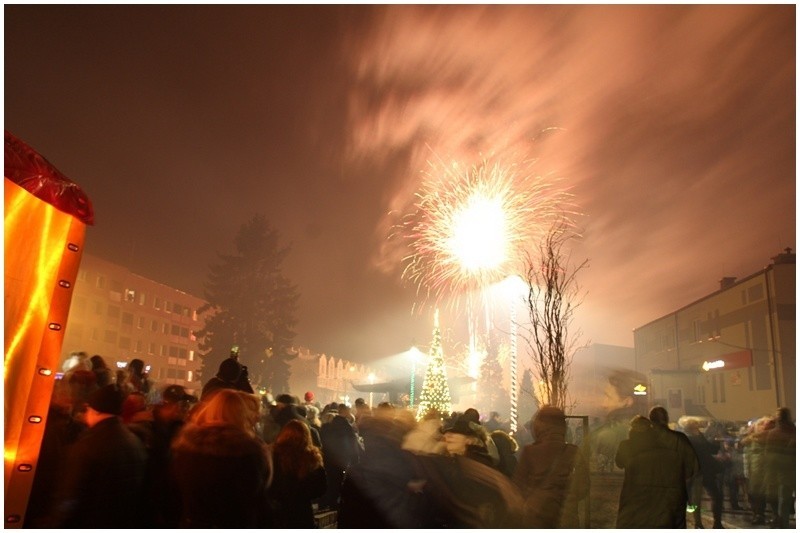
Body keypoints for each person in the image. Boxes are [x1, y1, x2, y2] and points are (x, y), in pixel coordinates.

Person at [170, 389, 273, 528]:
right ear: (241, 415)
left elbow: (172, 495)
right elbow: (256, 500)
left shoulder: (186, 448)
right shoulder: (249, 451)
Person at [49, 384, 147, 528]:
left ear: (96, 411)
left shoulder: (88, 445)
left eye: (87, 409)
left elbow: (71, 497)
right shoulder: (134, 441)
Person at [615, 412, 698, 528]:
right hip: (665, 494)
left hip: (635, 493)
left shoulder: (626, 445)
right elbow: (690, 467)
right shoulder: (661, 443)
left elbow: (619, 463)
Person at [513, 405, 589, 528]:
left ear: (538, 427)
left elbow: (518, 487)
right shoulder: (573, 452)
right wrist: (567, 498)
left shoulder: (530, 452)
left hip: (536, 519)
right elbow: (584, 487)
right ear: (563, 427)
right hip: (566, 519)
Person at [268, 419, 327, 528]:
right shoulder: (311, 457)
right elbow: (321, 487)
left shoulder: (272, 453)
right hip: (301, 511)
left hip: (277, 511)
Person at [648, 406, 700, 526]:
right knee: (676, 523)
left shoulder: (644, 440)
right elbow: (692, 466)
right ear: (666, 419)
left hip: (651, 491)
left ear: (651, 420)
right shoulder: (679, 439)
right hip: (675, 490)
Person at [591, 369, 648, 472]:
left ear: (627, 402)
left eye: (608, 397)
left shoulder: (607, 435)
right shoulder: (652, 434)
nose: (603, 404)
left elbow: (599, 468)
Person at [318, 403, 362, 510]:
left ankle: (324, 501)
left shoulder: (327, 426)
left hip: (327, 457)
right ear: (346, 412)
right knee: (337, 481)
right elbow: (352, 444)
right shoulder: (347, 427)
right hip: (341, 458)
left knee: (329, 479)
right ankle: (333, 502)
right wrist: (355, 459)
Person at [684, 417, 725, 529]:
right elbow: (706, 449)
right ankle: (701, 524)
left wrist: (716, 442)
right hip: (699, 471)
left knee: (706, 497)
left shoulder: (698, 436)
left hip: (704, 471)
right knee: (700, 498)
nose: (699, 426)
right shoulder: (690, 438)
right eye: (696, 424)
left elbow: (709, 448)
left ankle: (709, 523)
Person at [764, 407, 795, 528]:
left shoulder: (773, 434)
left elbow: (768, 455)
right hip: (791, 470)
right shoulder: (794, 431)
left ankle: (784, 526)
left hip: (783, 472)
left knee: (784, 501)